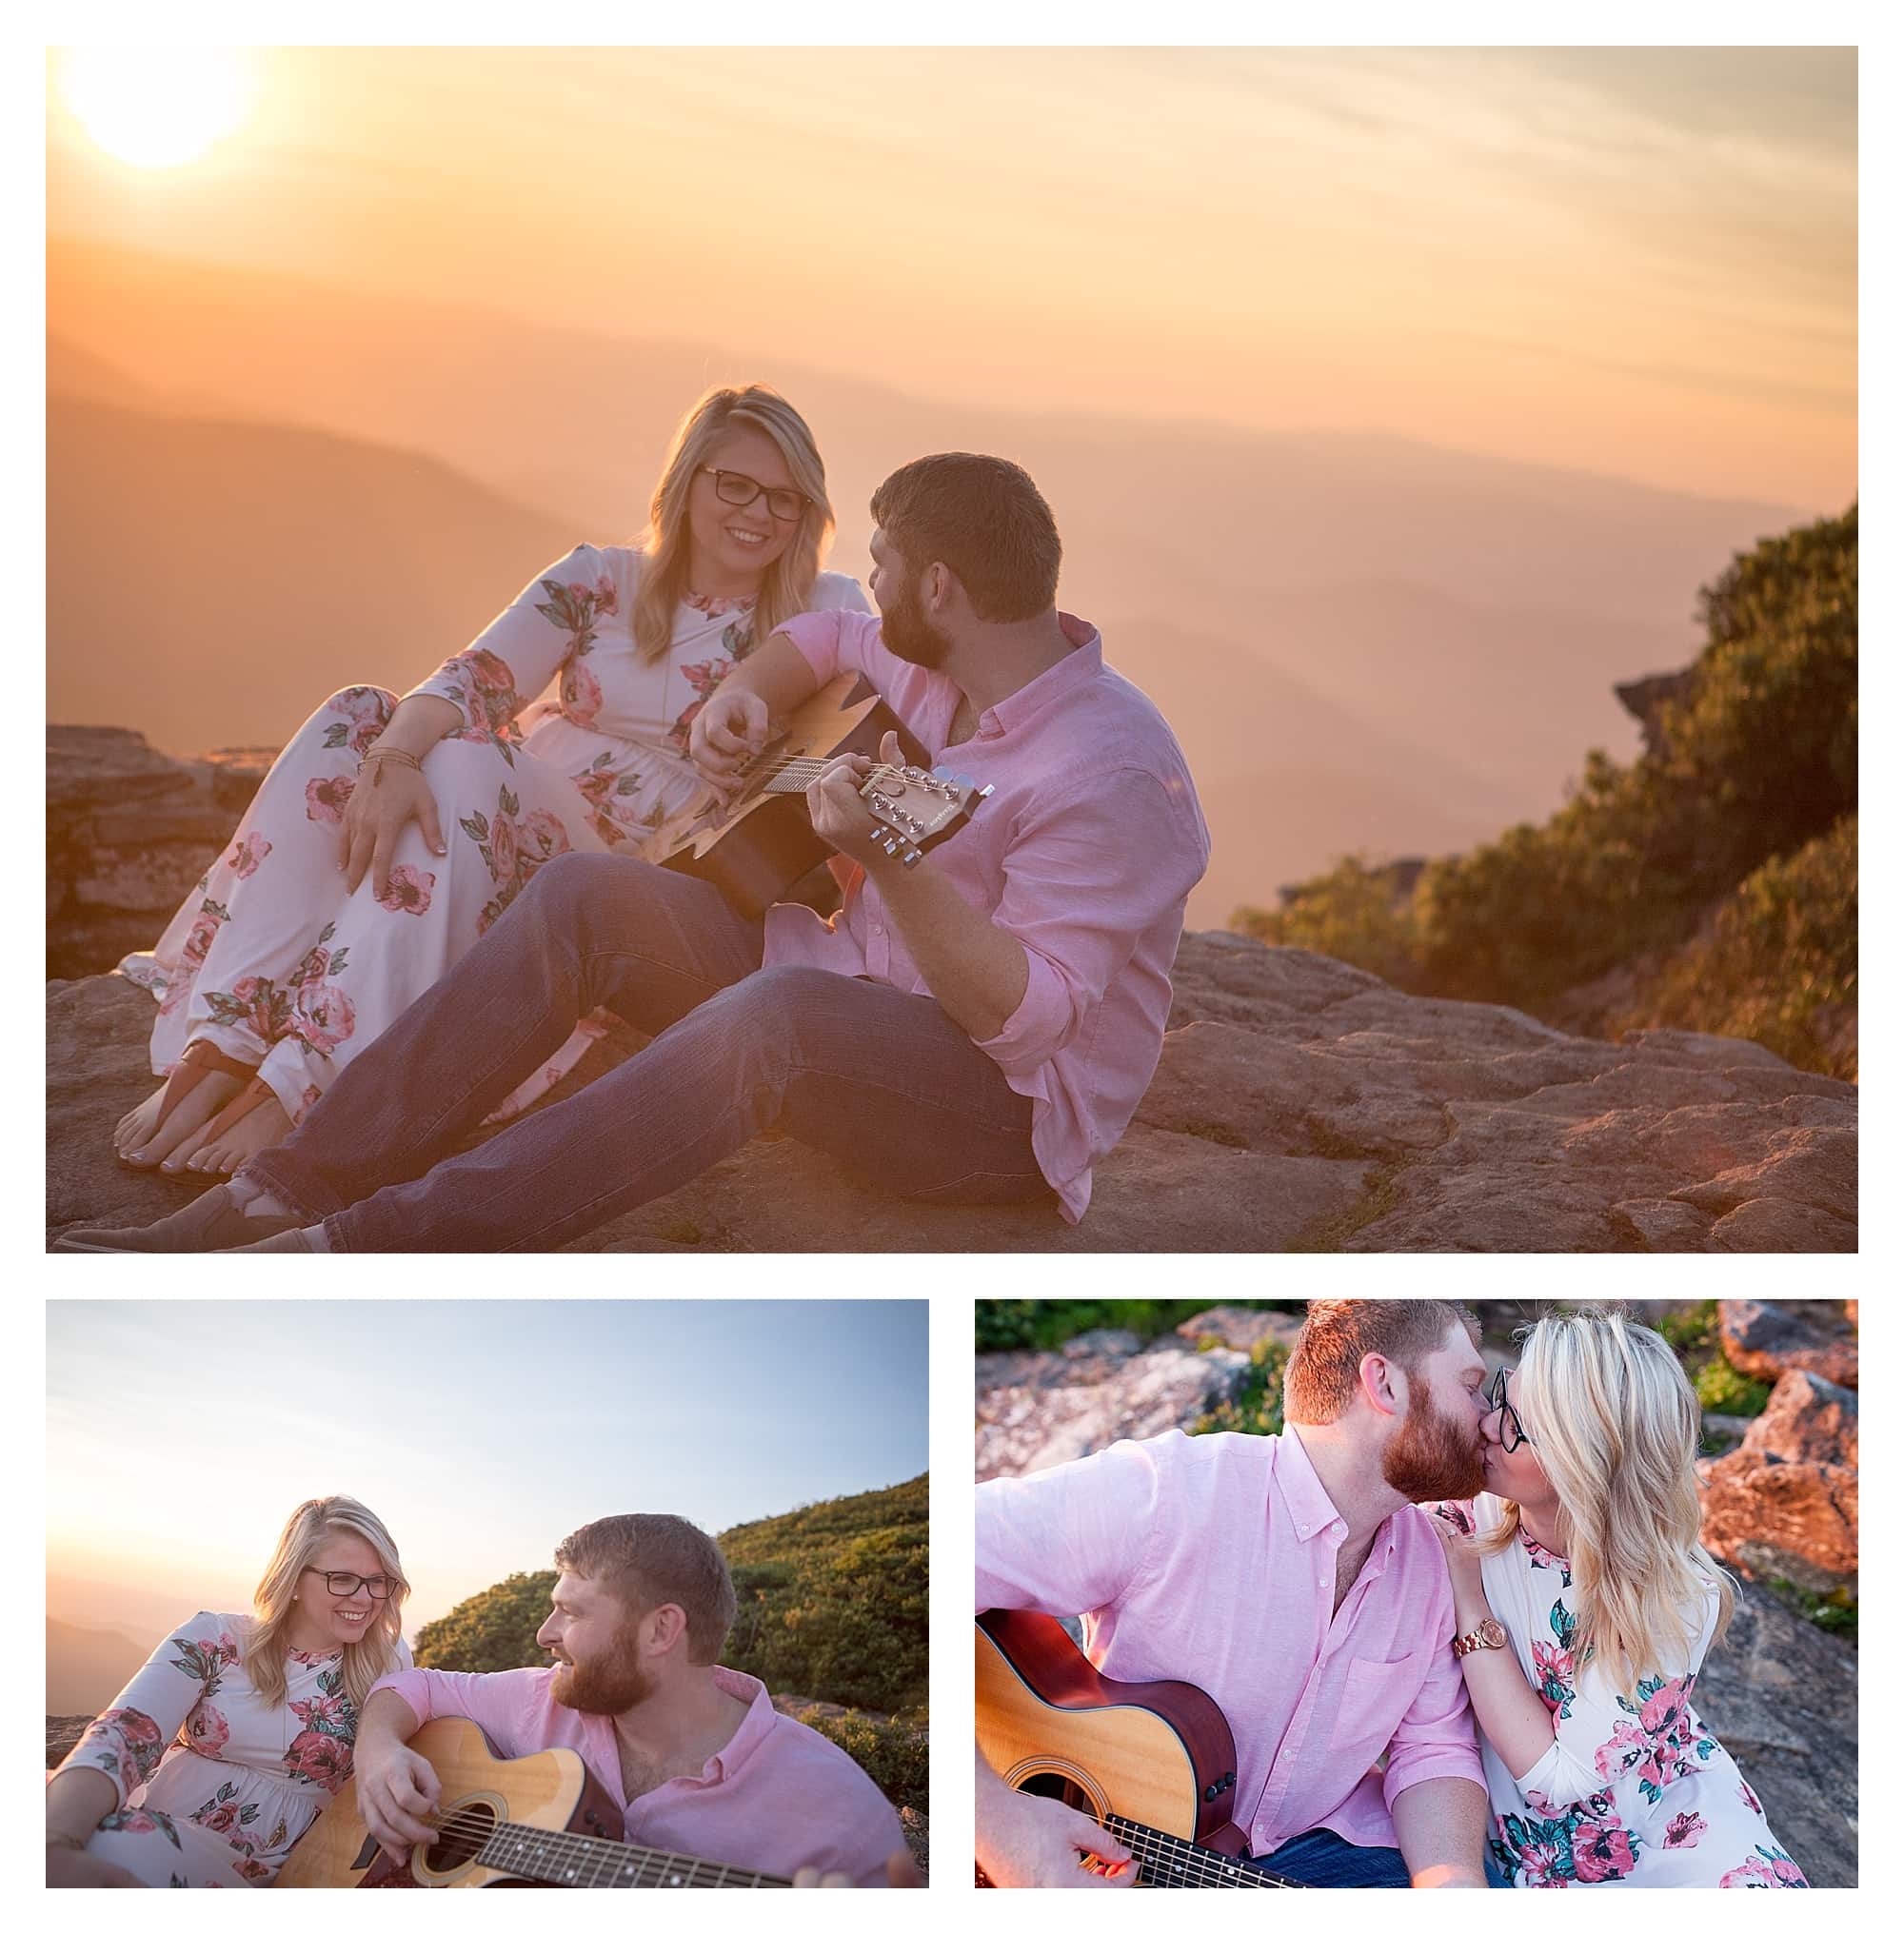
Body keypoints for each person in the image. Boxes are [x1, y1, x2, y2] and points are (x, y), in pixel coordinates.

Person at [67, 450, 1209, 1253]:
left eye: (884, 559)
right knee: (583, 895)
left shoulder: (1112, 774)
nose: (869, 577)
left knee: (776, 1023)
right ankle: (273, 1193)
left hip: (994, 1109)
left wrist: (893, 863)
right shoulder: (943, 662)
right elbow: (823, 635)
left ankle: (357, 1242)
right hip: (835, 974)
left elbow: (1033, 1018)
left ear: (942, 586)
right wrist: (749, 703)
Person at [110, 384, 867, 1180]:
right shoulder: (602, 580)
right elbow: (474, 677)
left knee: (470, 766)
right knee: (357, 715)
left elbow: (880, 720)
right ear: (689, 481)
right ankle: (225, 1044)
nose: (759, 513)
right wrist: (395, 760)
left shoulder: (828, 603)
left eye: (786, 498)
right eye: (735, 484)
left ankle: (302, 1083)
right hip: (522, 808)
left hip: (646, 870)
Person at [975, 1300, 1493, 1889]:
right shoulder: (1168, 1492)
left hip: (1317, 1846)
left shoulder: (1429, 1559)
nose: (1486, 1414)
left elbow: (1432, 1749)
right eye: (1471, 1386)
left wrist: (1454, 1888)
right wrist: (1002, 1824)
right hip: (1114, 1857)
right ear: (1384, 1384)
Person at [1424, 1309, 1810, 1888]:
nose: (1485, 1425)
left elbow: (1556, 1780)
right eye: (1503, 1394)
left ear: (1586, 1466)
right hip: (1491, 1830)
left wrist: (1469, 1601)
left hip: (1657, 1837)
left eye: (1516, 1425)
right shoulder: (1466, 1510)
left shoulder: (1674, 1599)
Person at [349, 1512, 916, 1887]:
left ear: (660, 1631)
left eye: (570, 1612)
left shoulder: (841, 1819)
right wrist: (376, 1751)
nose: (545, 1633)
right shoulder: (542, 1699)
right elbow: (417, 1685)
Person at [45, 1495, 410, 1887]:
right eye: (342, 1578)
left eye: (379, 1582)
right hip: (174, 1833)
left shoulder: (386, 1659)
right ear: (294, 1578)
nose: (365, 1598)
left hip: (302, 1868)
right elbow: (126, 1733)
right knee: (109, 1844)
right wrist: (54, 1842)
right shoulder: (215, 1639)